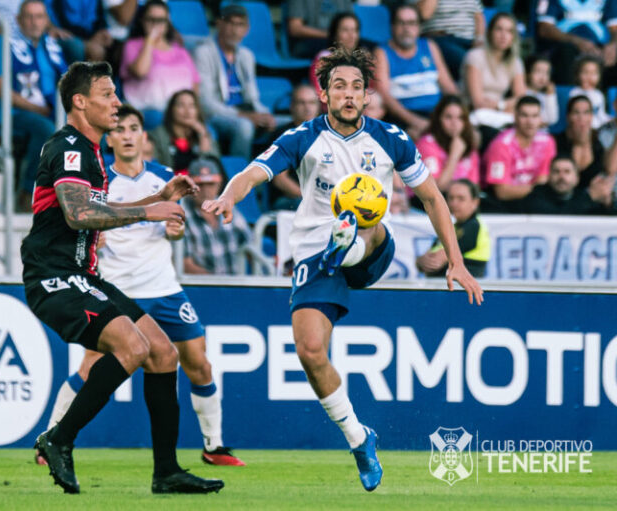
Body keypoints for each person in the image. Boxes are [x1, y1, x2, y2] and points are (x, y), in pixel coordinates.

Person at [202, 47, 483, 490]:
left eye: (357, 87)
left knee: (364, 214)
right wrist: (227, 198)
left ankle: (350, 235)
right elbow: (255, 172)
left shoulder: (392, 138)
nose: (349, 95)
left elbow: (432, 197)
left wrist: (456, 260)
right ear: (323, 94)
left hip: (374, 248)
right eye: (339, 87)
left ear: (369, 96)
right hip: (317, 255)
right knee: (310, 351)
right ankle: (358, 437)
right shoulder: (303, 137)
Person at [22, 61, 223, 495]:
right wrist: (149, 210)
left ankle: (166, 472)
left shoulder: (90, 151)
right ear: (80, 101)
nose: (117, 102)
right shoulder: (69, 148)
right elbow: (79, 215)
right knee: (133, 347)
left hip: (84, 275)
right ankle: (58, 438)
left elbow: (98, 213)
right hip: (54, 276)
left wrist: (158, 196)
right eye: (108, 95)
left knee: (164, 354)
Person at [41, 104, 245, 467]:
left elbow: (176, 229)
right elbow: (85, 222)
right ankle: (51, 435)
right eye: (119, 130)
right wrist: (95, 239)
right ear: (111, 138)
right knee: (91, 365)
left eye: (134, 128)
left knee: (199, 363)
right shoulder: (99, 180)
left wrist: (177, 232)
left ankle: (214, 446)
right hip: (118, 288)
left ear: (144, 137)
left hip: (164, 288)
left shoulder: (164, 178)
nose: (127, 135)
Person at [0, 0, 68, 211]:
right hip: (15, 113)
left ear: (47, 21)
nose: (34, 22)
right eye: (29, 17)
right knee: (47, 130)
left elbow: (68, 84)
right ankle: (27, 191)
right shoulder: (4, 42)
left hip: (50, 110)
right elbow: (1, 89)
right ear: (18, 20)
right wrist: (38, 110)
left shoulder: (51, 46)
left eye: (39, 17)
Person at [193, 4, 276, 159]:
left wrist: (265, 115)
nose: (235, 30)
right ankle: (238, 175)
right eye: (231, 23)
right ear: (219, 24)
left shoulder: (246, 55)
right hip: (217, 114)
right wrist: (246, 116)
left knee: (285, 122)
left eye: (240, 25)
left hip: (244, 111)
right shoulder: (203, 52)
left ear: (247, 29)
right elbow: (206, 103)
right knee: (244, 126)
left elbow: (253, 98)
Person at [374, 4, 458, 139]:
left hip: (436, 115)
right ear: (392, 27)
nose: (406, 28)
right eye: (401, 23)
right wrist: (414, 121)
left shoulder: (430, 46)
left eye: (412, 23)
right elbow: (385, 96)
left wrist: (458, 113)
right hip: (403, 117)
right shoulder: (382, 52)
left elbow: (448, 86)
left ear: (418, 27)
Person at [120, 0, 200, 113]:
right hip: (148, 111)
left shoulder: (180, 51)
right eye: (151, 19)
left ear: (168, 23)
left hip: (180, 113)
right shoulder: (132, 46)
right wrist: (149, 41)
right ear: (142, 21)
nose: (155, 24)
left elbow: (195, 83)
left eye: (161, 20)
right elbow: (140, 72)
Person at [483, 96, 557, 209]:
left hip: (535, 202)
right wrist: (537, 189)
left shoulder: (547, 142)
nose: (530, 121)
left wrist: (538, 190)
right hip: (503, 206)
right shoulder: (500, 145)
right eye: (524, 115)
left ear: (540, 118)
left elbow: (543, 180)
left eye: (535, 116)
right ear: (515, 117)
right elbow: (502, 192)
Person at [182, 158, 254, 275]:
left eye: (210, 184)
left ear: (219, 183)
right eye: (200, 184)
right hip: (199, 288)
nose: (205, 190)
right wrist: (218, 285)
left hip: (232, 286)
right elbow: (184, 264)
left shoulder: (229, 208)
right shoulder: (181, 213)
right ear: (189, 185)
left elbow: (251, 246)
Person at [462, 12, 525, 133]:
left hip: (498, 113)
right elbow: (478, 103)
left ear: (513, 37)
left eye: (509, 31)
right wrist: (508, 106)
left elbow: (521, 99)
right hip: (474, 115)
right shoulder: (475, 56)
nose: (503, 35)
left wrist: (499, 105)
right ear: (490, 32)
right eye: (499, 29)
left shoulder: (516, 62)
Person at [416, 179, 488, 277]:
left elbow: (436, 261)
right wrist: (420, 261)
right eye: (451, 198)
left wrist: (422, 261)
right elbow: (421, 262)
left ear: (475, 202)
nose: (454, 203)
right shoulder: (452, 227)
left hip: (459, 290)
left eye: (461, 199)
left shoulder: (474, 226)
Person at [267, 85, 322, 211]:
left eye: (312, 103)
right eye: (301, 103)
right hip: (290, 200)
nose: (307, 107)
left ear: (318, 106)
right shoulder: (282, 136)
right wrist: (310, 200)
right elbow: (280, 180)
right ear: (292, 106)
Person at [536, 0, 617, 85]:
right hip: (565, 46)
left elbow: (614, 27)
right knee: (566, 52)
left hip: (600, 47)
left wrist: (614, 45)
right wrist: (576, 41)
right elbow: (544, 28)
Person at [508, 154, 616, 215]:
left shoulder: (580, 196)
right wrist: (589, 197)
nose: (561, 177)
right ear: (549, 177)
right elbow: (557, 217)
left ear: (577, 179)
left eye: (567, 172)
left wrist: (607, 204)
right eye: (556, 172)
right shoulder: (536, 196)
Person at [416, 95, 480, 192]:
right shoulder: (426, 144)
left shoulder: (468, 145)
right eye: (448, 117)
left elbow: (473, 189)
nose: (454, 123)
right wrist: (454, 155)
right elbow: (435, 189)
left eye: (460, 118)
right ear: (438, 119)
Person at [149, 89, 220, 175]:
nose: (187, 111)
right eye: (181, 105)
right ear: (171, 110)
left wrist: (202, 135)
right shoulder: (158, 136)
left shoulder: (203, 134)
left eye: (192, 106)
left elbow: (213, 167)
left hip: (199, 184)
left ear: (197, 111)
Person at [45, 0, 137, 64]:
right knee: (92, 51)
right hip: (65, 35)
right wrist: (51, 27)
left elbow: (99, 15)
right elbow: (44, 10)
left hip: (90, 35)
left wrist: (102, 31)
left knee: (119, 48)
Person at [414, 0, 485, 81]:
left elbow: (478, 17)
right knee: (469, 62)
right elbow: (425, 14)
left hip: (470, 41)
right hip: (442, 39)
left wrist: (479, 39)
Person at [309, 12, 371, 99]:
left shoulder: (363, 58)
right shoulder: (324, 58)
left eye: (355, 30)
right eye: (345, 30)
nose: (351, 35)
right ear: (334, 34)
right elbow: (321, 92)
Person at [554, 95, 608, 190]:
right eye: (576, 112)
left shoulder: (601, 140)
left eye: (586, 112)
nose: (581, 118)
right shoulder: (556, 142)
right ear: (568, 117)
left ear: (591, 116)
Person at [286, 0, 354, 59]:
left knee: (362, 47)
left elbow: (351, 22)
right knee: (331, 50)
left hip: (339, 39)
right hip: (308, 42)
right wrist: (332, 35)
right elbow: (295, 29)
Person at [569, 55, 614, 130]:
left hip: (597, 129)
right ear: (578, 75)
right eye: (585, 72)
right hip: (581, 127)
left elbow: (601, 115)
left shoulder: (598, 94)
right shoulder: (574, 92)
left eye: (594, 73)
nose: (589, 77)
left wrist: (611, 119)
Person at [524, 55, 559, 127]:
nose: (542, 77)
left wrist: (550, 95)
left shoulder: (546, 96)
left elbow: (552, 119)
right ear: (528, 73)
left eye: (546, 73)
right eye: (538, 71)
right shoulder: (522, 92)